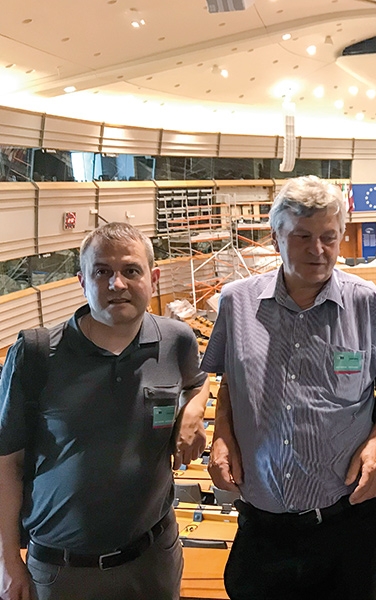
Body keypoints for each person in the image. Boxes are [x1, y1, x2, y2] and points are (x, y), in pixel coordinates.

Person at [201, 175, 376, 600]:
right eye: (303, 236)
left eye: (329, 237)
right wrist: (221, 434)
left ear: (341, 236)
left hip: (347, 523)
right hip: (263, 524)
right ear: (276, 238)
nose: (318, 250)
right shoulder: (236, 303)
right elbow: (228, 382)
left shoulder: (367, 302)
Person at [0, 222, 209, 600]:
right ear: (82, 281)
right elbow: (6, 465)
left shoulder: (177, 340)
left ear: (154, 278)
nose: (117, 285)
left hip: (153, 560)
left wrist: (194, 409)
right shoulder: (35, 355)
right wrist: (9, 563)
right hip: (63, 571)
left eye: (131, 271)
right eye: (102, 272)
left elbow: (198, 380)